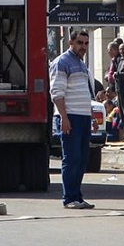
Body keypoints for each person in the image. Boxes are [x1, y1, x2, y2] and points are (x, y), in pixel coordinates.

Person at [49, 30, 96, 209]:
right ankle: (69, 198)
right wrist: (64, 117)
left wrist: (91, 117)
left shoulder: (82, 65)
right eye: (79, 43)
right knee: (72, 158)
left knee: (82, 159)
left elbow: (84, 93)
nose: (83, 47)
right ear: (71, 42)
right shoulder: (62, 62)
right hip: (70, 117)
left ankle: (77, 196)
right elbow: (57, 93)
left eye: (85, 43)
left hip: (83, 118)